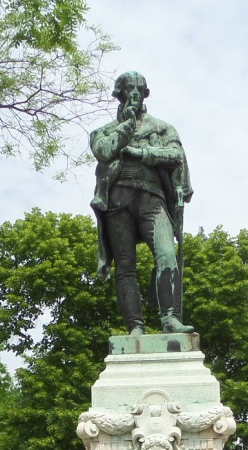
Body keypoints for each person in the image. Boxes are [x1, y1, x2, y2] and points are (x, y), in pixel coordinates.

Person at [89, 71, 194, 335]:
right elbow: (103, 151)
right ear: (119, 94)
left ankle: (170, 318)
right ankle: (135, 326)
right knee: (125, 266)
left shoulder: (161, 127)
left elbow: (176, 154)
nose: (133, 94)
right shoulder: (102, 131)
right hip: (117, 199)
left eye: (138, 89)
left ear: (146, 93)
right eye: (127, 89)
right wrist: (126, 125)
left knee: (166, 254)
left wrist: (143, 153)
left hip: (152, 196)